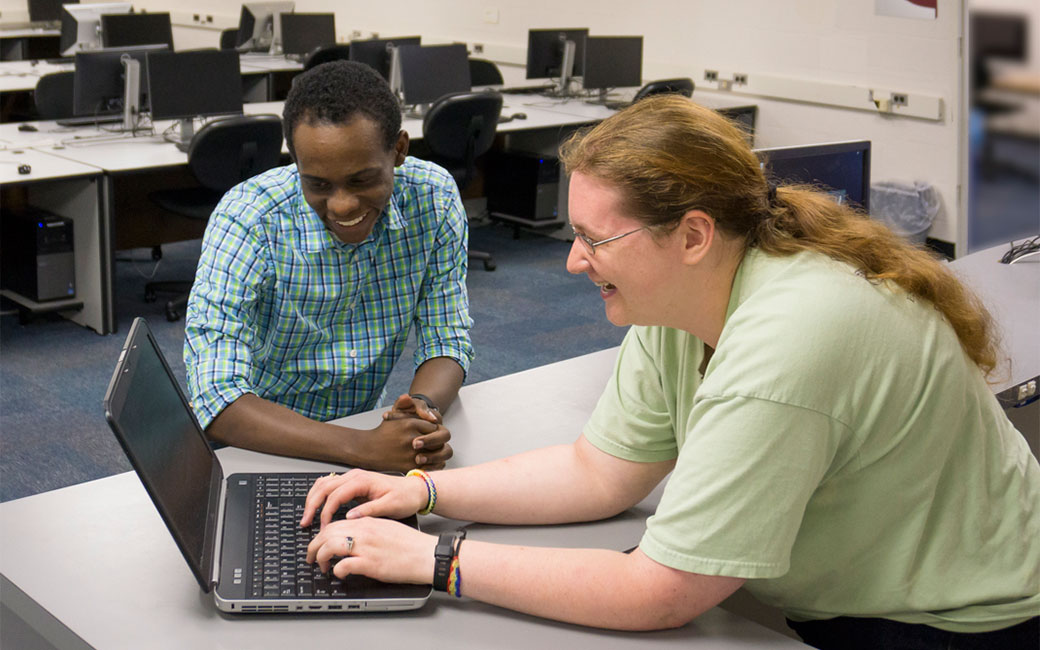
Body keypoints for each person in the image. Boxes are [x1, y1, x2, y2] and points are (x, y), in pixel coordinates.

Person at [298, 95, 1039, 648]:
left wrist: (436, 561)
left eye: (595, 238)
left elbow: (662, 592)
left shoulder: (791, 338)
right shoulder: (686, 297)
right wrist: (421, 492)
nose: (571, 260)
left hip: (952, 620)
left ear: (691, 235)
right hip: (856, 585)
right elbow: (600, 472)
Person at [183, 61, 473, 472]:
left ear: (399, 150)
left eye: (361, 180)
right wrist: (363, 448)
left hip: (360, 432)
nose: (341, 205)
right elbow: (216, 396)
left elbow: (446, 339)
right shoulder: (249, 218)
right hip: (253, 444)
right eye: (317, 184)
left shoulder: (434, 197)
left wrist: (419, 416)